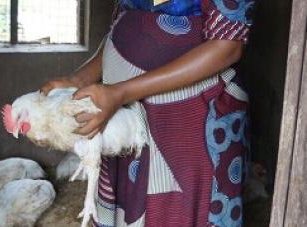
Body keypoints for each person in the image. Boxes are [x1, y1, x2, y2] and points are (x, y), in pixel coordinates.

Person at [41, 0, 254, 226]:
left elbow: (227, 46)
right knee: (130, 204)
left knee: (180, 209)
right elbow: (123, 25)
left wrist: (121, 92)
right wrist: (80, 79)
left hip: (189, 122)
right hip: (124, 116)